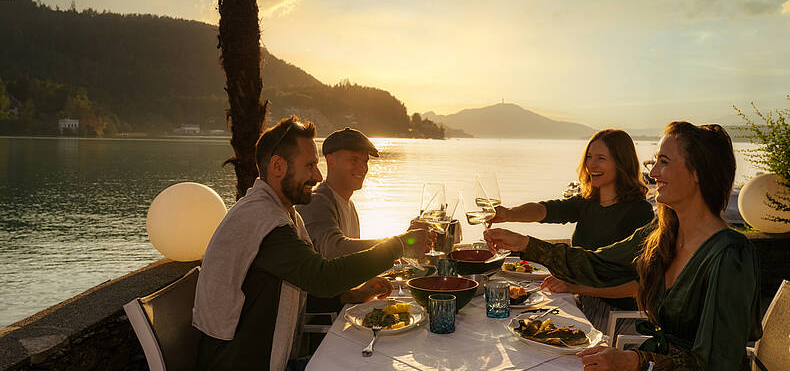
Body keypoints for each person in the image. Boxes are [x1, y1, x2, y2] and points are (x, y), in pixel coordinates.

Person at [484, 122, 761, 370]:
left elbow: (714, 363)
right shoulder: (661, 233)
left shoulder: (730, 256)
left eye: (663, 161)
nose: (652, 172)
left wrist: (633, 361)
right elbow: (598, 264)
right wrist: (524, 243)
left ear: (698, 172)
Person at [193, 116, 430, 371]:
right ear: (277, 167)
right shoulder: (263, 222)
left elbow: (299, 286)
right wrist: (397, 246)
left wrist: (351, 295)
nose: (317, 176)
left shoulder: (279, 213)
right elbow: (322, 276)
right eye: (309, 166)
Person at [492, 129, 654, 330]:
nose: (591, 165)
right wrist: (507, 214)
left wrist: (574, 286)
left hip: (617, 316)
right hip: (583, 301)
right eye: (589, 157)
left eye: (601, 158)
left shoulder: (638, 211)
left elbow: (636, 287)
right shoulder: (589, 202)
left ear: (621, 163)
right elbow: (545, 210)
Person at [298, 127, 428, 258]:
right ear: (331, 161)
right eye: (354, 160)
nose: (362, 168)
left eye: (365, 161)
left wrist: (408, 242)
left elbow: (351, 262)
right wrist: (399, 244)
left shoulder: (350, 206)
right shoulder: (316, 202)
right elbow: (332, 249)